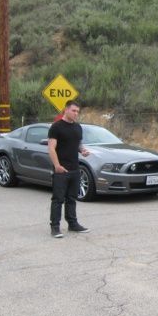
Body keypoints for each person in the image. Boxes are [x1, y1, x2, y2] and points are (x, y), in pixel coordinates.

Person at [48, 100, 91, 238]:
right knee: (58, 199)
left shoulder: (78, 127)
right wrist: (57, 166)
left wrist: (82, 150)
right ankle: (55, 227)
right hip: (61, 170)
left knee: (72, 199)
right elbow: (51, 148)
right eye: (73, 111)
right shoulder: (56, 127)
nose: (76, 113)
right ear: (66, 110)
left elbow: (77, 143)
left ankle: (73, 224)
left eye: (78, 111)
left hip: (75, 169)